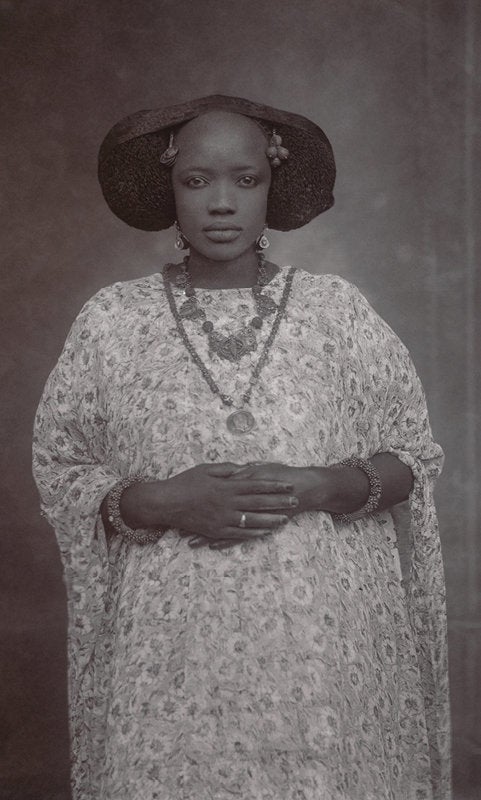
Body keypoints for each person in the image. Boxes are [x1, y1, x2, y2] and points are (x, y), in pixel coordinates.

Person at [32, 95, 451, 800]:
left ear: (271, 184)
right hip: (170, 667)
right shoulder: (111, 321)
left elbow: (411, 458)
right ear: (169, 188)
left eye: (244, 179)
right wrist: (161, 499)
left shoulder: (335, 311)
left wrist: (320, 485)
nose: (220, 203)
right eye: (197, 181)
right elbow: (63, 467)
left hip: (320, 662)